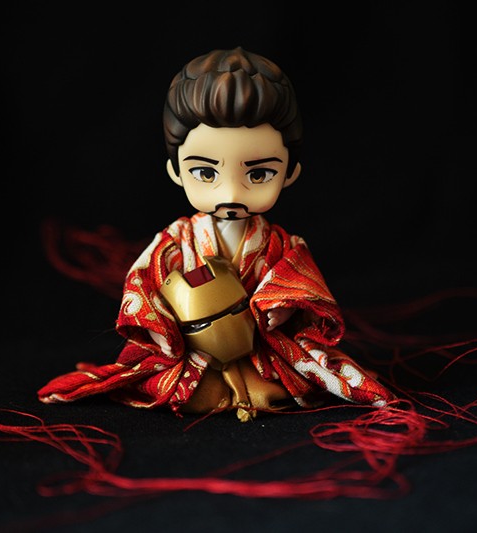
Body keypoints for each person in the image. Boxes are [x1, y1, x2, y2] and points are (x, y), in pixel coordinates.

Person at [38, 47, 393, 421]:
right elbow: (142, 282)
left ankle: (250, 389)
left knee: (279, 387)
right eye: (206, 173)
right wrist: (160, 327)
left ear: (290, 172)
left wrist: (286, 304)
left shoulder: (281, 245)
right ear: (176, 170)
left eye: (258, 174)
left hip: (261, 348)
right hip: (195, 349)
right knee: (186, 390)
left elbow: (303, 285)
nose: (231, 193)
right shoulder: (177, 240)